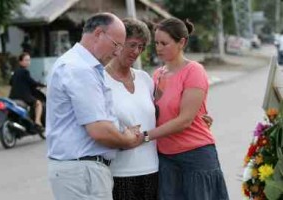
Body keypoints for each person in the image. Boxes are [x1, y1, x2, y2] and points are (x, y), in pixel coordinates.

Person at [46, 13, 143, 200]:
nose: (117, 52)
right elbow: (99, 129)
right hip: (83, 172)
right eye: (117, 45)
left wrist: (122, 131)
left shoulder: (81, 65)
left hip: (82, 170)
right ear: (99, 33)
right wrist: (127, 139)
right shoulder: (79, 69)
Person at [144, 18, 229, 200]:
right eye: (156, 43)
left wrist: (145, 136)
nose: (158, 48)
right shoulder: (157, 74)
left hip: (195, 155)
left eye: (164, 43)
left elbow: (185, 120)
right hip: (166, 157)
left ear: (181, 42)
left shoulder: (194, 71)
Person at [105, 18, 158, 200]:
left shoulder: (145, 79)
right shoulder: (101, 80)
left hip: (153, 168)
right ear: (119, 44)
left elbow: (165, 112)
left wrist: (199, 116)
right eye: (132, 45)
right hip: (120, 173)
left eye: (141, 47)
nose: (136, 52)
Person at [9, 52, 45, 128]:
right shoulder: (25, 72)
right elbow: (31, 82)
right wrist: (42, 84)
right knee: (38, 103)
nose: (28, 62)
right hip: (23, 96)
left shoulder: (15, 72)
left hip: (12, 96)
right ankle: (37, 122)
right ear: (20, 61)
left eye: (29, 60)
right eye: (26, 60)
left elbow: (11, 82)